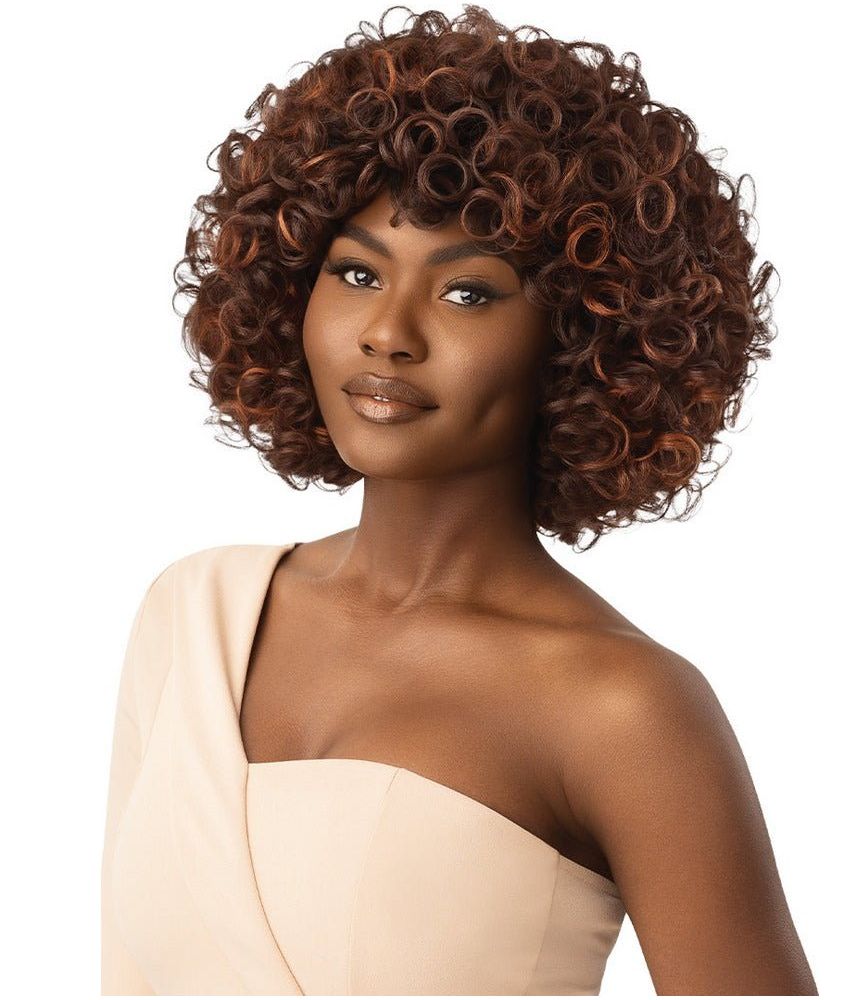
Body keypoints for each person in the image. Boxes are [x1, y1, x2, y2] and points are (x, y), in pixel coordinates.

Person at [101, 5, 816, 995]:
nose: (387, 333)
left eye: (467, 292)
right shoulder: (194, 615)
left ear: (586, 335)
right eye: (356, 272)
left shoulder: (623, 709)